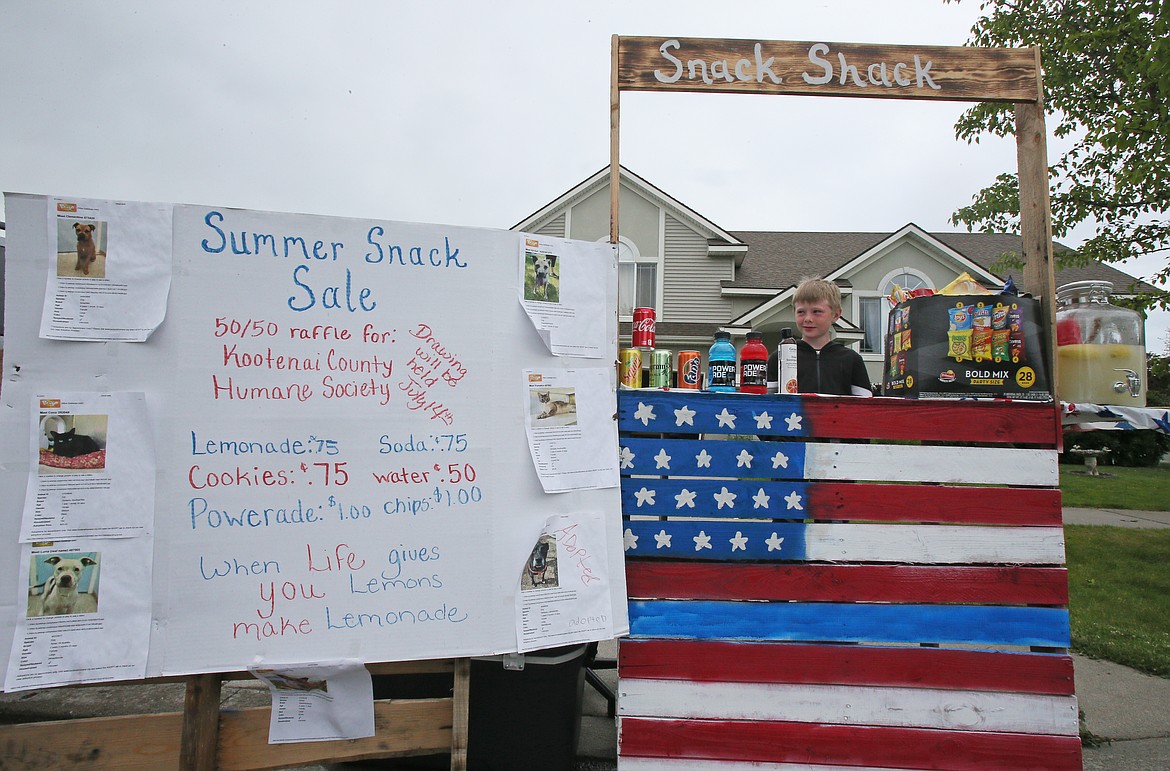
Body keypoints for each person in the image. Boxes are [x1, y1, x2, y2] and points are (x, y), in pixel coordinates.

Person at [766, 277, 873, 396]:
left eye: (816, 311)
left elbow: (865, 406)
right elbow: (765, 402)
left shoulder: (851, 359)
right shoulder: (780, 357)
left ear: (836, 315)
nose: (808, 319)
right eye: (801, 312)